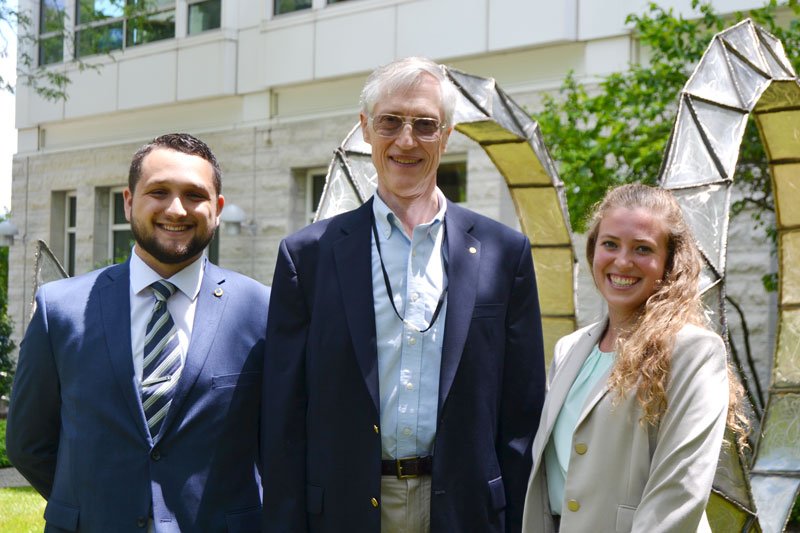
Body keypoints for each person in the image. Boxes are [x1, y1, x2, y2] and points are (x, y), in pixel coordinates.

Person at [262, 57, 546, 533]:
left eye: (425, 125)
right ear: (366, 130)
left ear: (447, 134)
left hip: (466, 511)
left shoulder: (504, 253)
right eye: (390, 121)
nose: (406, 140)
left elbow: (521, 415)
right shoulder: (307, 257)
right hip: (344, 510)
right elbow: (283, 416)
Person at [6, 133, 270, 532]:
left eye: (194, 195)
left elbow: (282, 445)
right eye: (159, 191)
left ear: (217, 209)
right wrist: (92, 507)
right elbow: (28, 444)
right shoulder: (60, 309)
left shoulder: (262, 310)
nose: (176, 209)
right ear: (129, 202)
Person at [521, 184, 748, 532]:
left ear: (669, 262)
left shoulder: (694, 352)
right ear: (593, 249)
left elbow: (679, 493)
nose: (622, 261)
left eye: (643, 249)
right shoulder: (569, 349)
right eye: (610, 244)